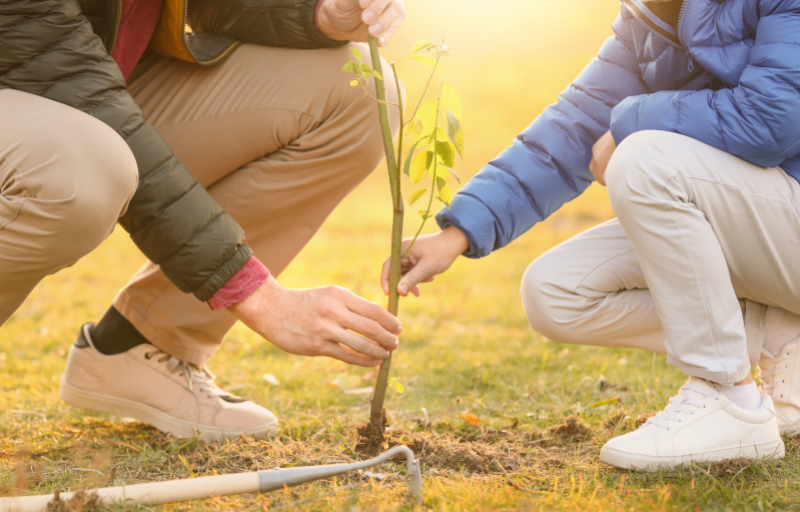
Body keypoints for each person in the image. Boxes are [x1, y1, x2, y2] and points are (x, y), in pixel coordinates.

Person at [383, 0, 800, 470]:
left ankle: (729, 401)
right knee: (555, 292)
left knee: (644, 160)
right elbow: (572, 127)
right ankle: (772, 334)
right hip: (763, 227)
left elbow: (772, 120)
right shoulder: (650, 16)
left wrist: (632, 121)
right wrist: (456, 234)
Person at [0, 0, 406, 442]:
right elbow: (67, 80)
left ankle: (145, 342)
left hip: (103, 85)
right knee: (81, 170)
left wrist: (314, 15)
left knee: (361, 90)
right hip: (50, 98)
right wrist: (257, 293)